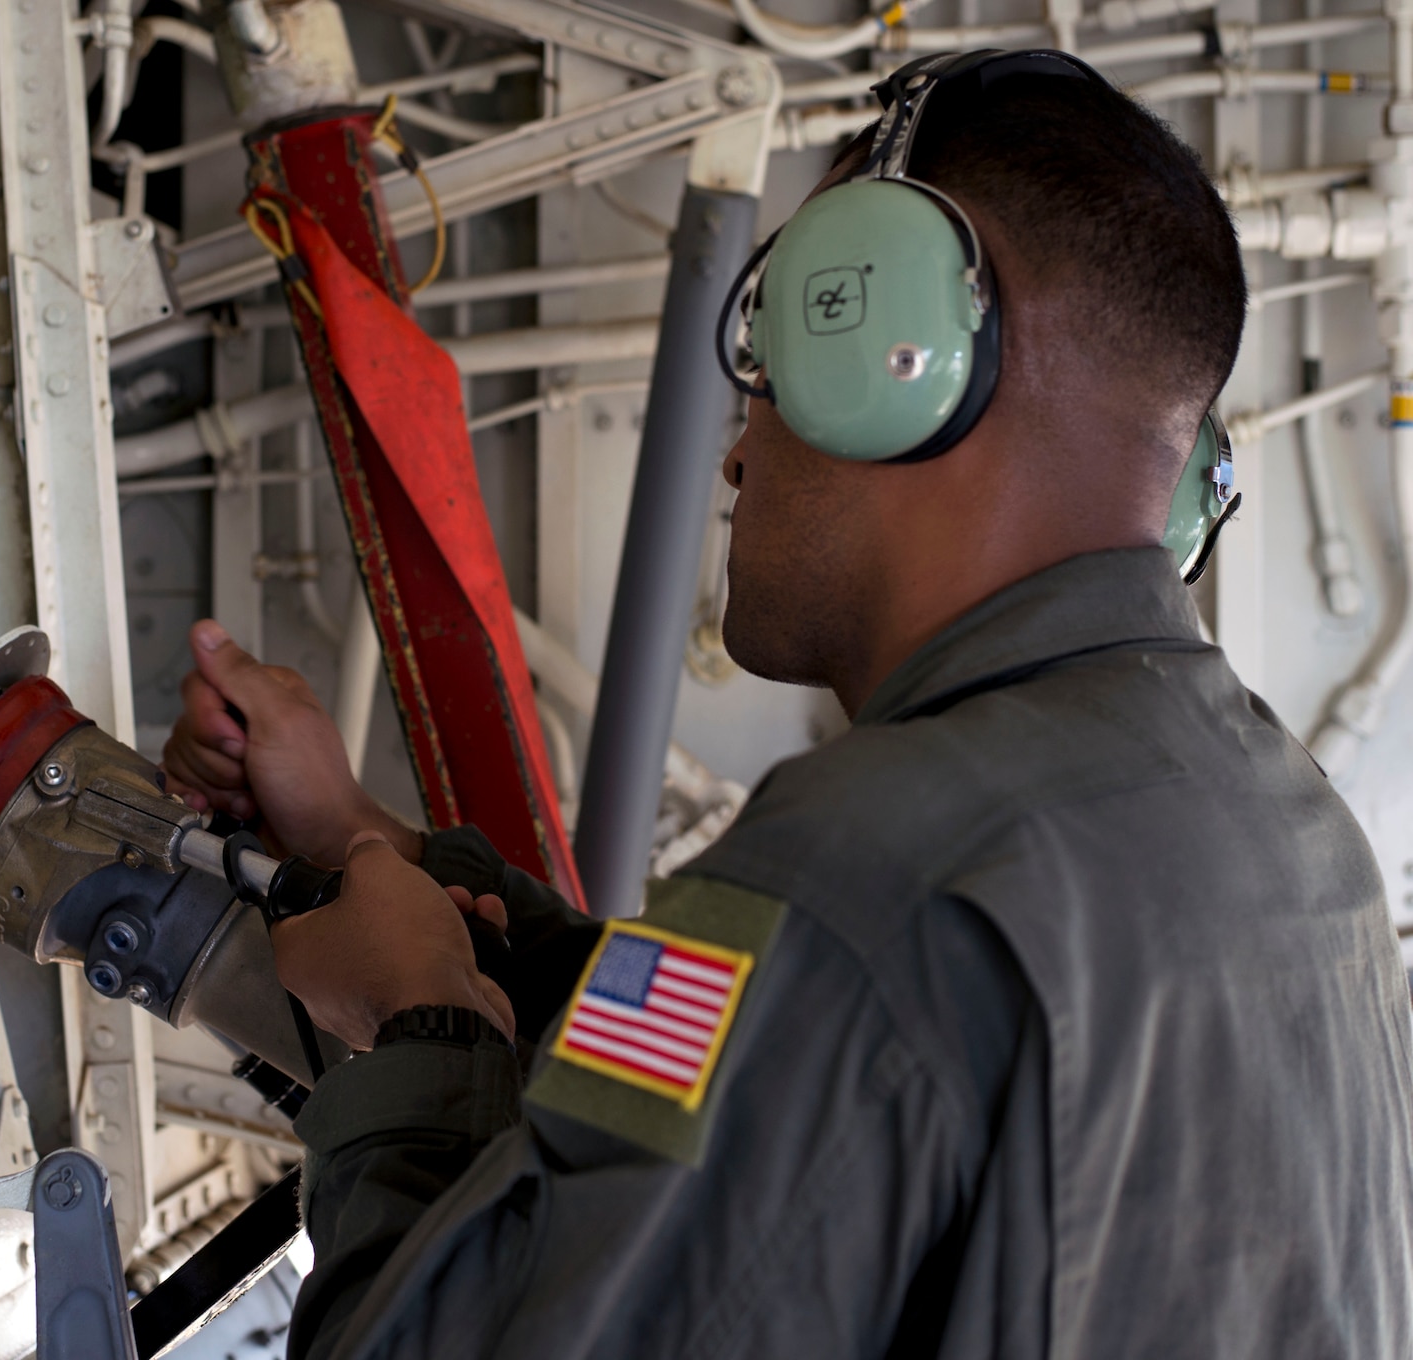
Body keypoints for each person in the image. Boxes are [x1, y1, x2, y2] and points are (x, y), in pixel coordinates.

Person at [162, 51, 1413, 1359]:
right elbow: (768, 1054)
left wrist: (411, 1036)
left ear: (906, 350)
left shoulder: (877, 864)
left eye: (782, 350)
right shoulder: (1288, 832)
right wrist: (382, 851)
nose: (741, 444)